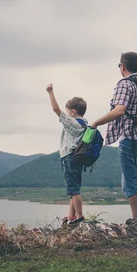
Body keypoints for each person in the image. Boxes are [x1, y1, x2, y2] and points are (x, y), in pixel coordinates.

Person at [90, 39, 137, 219]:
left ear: (122, 67)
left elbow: (120, 110)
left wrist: (96, 122)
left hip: (131, 138)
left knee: (132, 181)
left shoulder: (124, 84)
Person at [46, 84, 88, 225]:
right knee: (73, 189)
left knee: (73, 189)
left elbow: (55, 110)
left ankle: (80, 216)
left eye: (68, 111)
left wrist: (50, 92)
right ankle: (71, 216)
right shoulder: (84, 124)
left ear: (73, 112)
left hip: (69, 157)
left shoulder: (73, 123)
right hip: (77, 158)